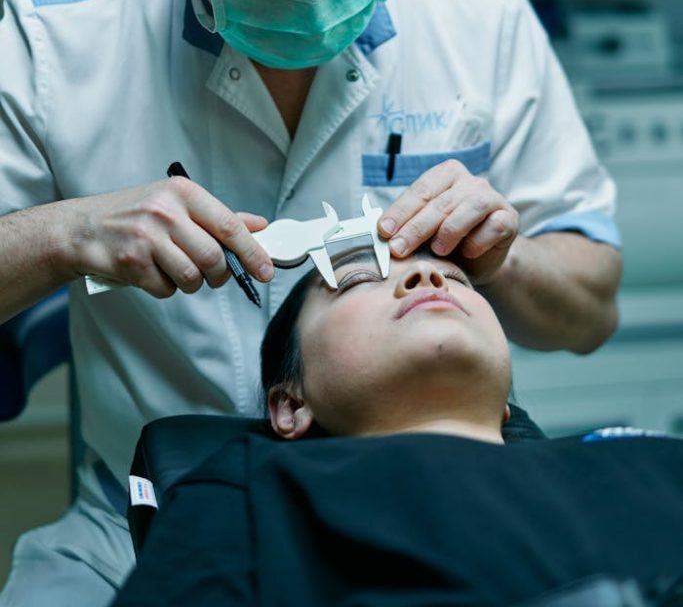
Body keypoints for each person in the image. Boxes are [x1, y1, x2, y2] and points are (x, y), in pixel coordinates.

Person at [0, 0, 621, 605]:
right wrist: (63, 236)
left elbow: (588, 312)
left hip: (443, 514)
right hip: (147, 528)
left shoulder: (480, 20)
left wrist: (508, 260)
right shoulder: (54, 44)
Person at [111, 249, 683, 607]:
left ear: (507, 407)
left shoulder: (657, 463)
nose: (431, 275)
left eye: (457, 277)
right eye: (358, 279)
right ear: (290, 406)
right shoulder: (253, 490)